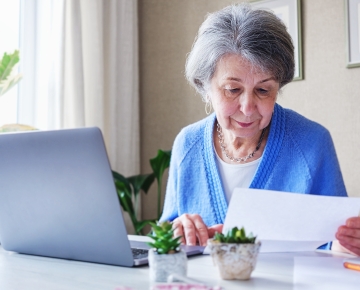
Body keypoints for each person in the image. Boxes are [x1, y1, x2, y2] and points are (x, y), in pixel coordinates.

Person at [159, 4, 360, 255]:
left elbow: (338, 248)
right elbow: (167, 238)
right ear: (206, 86)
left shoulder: (312, 143)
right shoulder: (187, 143)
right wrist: (177, 233)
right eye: (232, 89)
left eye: (263, 90)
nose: (247, 107)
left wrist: (348, 244)